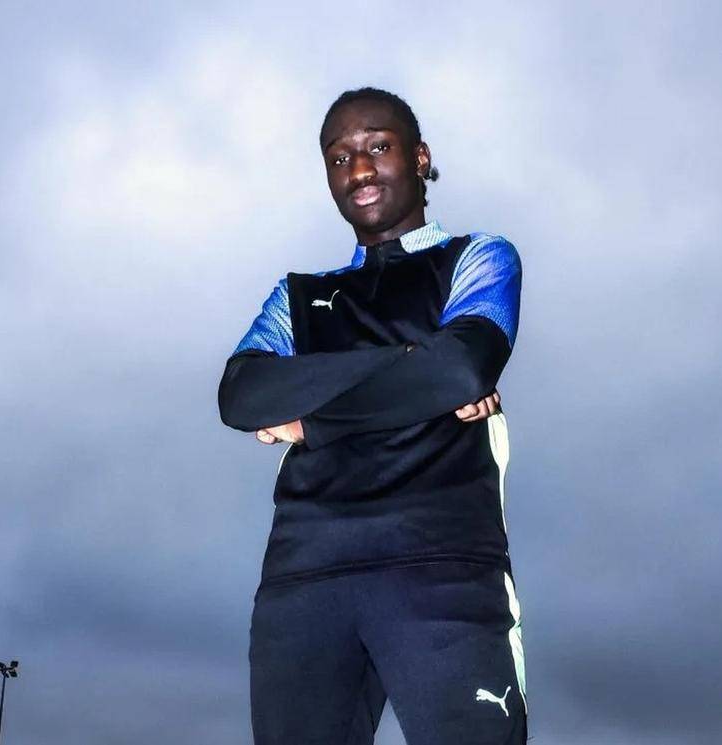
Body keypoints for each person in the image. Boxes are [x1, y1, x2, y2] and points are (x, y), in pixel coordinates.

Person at [218, 86, 527, 745]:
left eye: (378, 147)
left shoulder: (478, 257)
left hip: (442, 566)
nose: (358, 169)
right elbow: (241, 395)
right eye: (339, 158)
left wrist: (312, 419)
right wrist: (412, 367)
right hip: (305, 575)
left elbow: (459, 370)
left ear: (420, 157)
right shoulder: (298, 297)